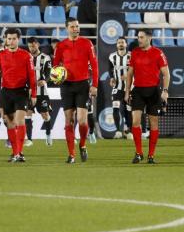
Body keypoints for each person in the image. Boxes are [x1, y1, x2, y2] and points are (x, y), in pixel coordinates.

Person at [53, 18, 99, 164]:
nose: (76, 29)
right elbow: (55, 66)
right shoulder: (60, 46)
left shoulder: (87, 43)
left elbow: (94, 65)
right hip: (66, 86)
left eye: (77, 26)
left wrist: (94, 85)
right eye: (72, 27)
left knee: (82, 120)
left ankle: (83, 145)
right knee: (69, 120)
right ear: (67, 28)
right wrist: (56, 76)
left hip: (83, 85)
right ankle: (71, 154)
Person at [0, 28, 37, 163]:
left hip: (21, 91)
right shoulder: (0, 55)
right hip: (6, 92)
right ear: (6, 39)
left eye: (14, 39)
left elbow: (32, 75)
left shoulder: (26, 55)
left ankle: (20, 153)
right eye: (9, 39)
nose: (11, 41)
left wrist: (33, 93)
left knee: (19, 121)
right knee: (9, 122)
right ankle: (15, 152)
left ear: (18, 39)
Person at [124, 29, 169, 164]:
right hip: (138, 90)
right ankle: (139, 153)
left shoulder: (158, 53)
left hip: (153, 91)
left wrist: (165, 91)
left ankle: (151, 155)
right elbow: (130, 74)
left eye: (142, 37)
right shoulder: (135, 53)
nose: (139, 39)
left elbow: (166, 74)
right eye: (138, 37)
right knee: (135, 121)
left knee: (153, 122)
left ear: (149, 38)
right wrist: (127, 91)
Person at [27, 37, 54, 146]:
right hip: (28, 91)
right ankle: (29, 139)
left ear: (37, 44)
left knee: (45, 115)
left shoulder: (45, 58)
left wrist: (45, 80)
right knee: (28, 114)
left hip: (41, 91)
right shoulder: (26, 57)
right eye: (29, 46)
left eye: (33, 46)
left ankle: (48, 134)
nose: (31, 48)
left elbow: (49, 73)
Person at [108, 37, 132, 138]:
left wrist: (127, 75)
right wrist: (111, 78)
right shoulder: (112, 56)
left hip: (130, 87)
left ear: (126, 44)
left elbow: (136, 68)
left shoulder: (131, 56)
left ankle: (129, 131)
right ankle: (118, 131)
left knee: (128, 109)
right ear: (116, 45)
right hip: (117, 87)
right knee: (115, 107)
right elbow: (110, 68)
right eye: (119, 43)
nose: (121, 44)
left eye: (122, 42)